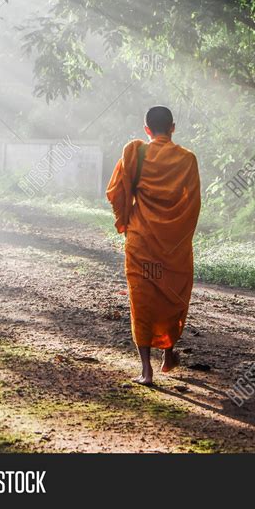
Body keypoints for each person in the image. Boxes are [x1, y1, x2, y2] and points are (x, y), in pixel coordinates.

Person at [106, 105, 201, 385]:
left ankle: (146, 370)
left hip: (141, 241)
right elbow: (192, 204)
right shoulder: (187, 159)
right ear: (173, 128)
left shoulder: (136, 153)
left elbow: (115, 192)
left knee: (142, 300)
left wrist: (124, 222)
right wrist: (180, 236)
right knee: (171, 294)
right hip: (173, 243)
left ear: (147, 129)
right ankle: (168, 353)